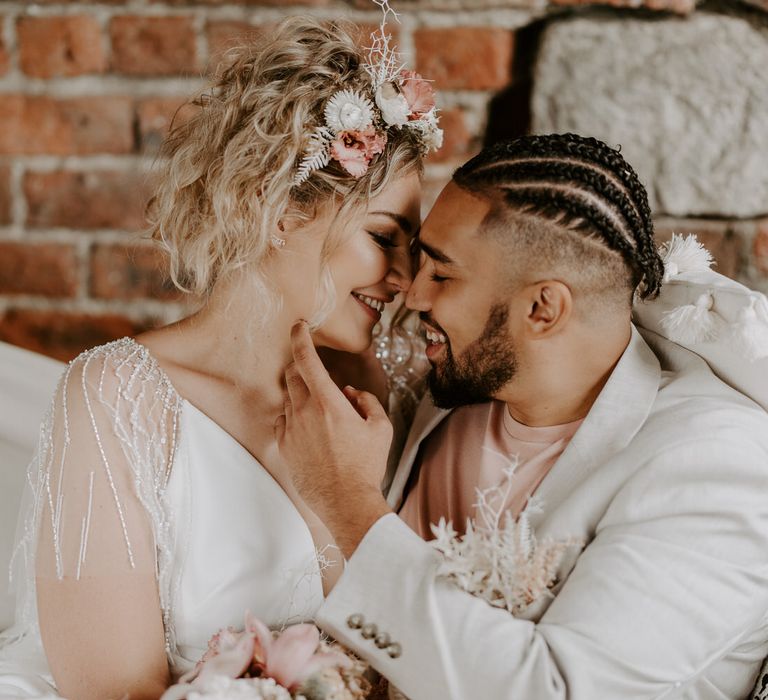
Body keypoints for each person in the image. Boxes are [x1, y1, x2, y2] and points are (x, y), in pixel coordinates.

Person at [0, 16, 441, 700]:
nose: (406, 278)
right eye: (386, 237)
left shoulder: (383, 396)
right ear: (282, 210)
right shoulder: (120, 395)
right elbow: (112, 691)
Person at [276, 134, 768, 699]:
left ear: (542, 308)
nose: (411, 295)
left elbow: (553, 689)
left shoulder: (716, 467)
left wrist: (347, 502)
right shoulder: (455, 389)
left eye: (441, 274)